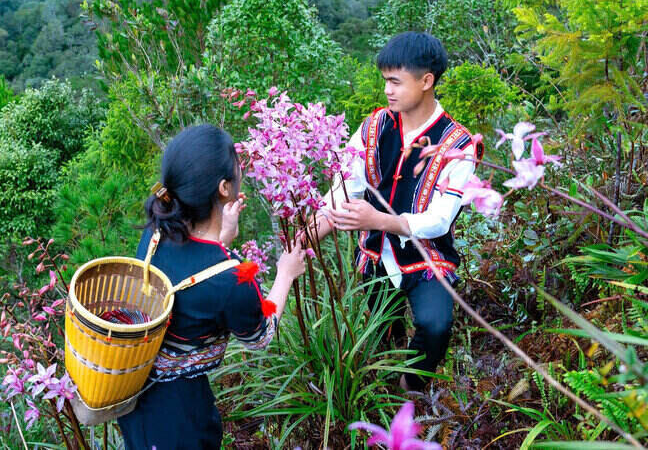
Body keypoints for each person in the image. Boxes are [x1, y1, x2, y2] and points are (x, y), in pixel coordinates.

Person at [310, 32, 482, 391]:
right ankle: (385, 393)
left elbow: (440, 220)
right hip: (375, 254)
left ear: (426, 81)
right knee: (382, 333)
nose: (387, 90)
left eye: (395, 81)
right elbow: (344, 189)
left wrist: (379, 220)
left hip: (427, 257)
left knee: (435, 326)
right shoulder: (374, 127)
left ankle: (411, 389)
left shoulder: (458, 145)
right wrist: (305, 239)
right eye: (385, 80)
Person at [118, 124, 306, 450]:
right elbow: (260, 337)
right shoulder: (232, 279)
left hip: (134, 395)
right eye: (236, 162)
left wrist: (222, 237)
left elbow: (189, 274)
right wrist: (285, 274)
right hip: (182, 416)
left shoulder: (156, 231)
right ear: (224, 187)